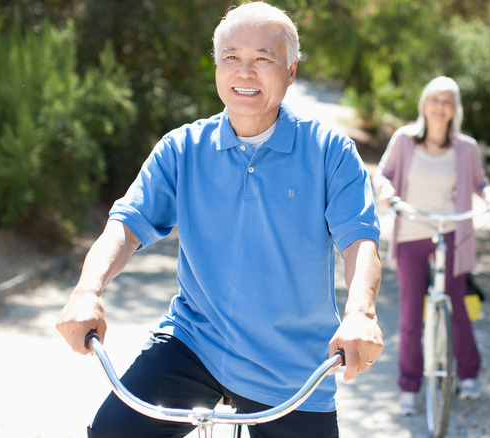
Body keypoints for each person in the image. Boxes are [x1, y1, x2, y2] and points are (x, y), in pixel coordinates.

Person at [55, 2, 383, 437]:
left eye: (263, 59)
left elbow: (359, 241)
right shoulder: (182, 148)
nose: (244, 72)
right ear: (216, 68)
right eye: (231, 58)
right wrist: (86, 291)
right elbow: (126, 225)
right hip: (195, 345)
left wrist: (360, 312)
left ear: (290, 70)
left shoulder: (330, 152)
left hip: (291, 366)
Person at [373, 76, 490, 415]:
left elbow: (481, 183)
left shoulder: (466, 148)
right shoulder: (404, 141)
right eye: (434, 100)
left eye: (447, 101)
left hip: (451, 232)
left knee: (456, 305)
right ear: (424, 104)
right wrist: (386, 192)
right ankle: (408, 386)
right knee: (411, 313)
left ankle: (469, 374)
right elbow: (383, 174)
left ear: (454, 109)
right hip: (412, 229)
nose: (440, 107)